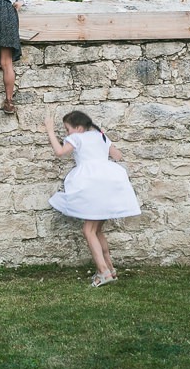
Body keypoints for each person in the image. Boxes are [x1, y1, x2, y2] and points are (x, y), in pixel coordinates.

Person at [44, 111, 141, 287]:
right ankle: (110, 268)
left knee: (88, 231)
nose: (66, 133)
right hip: (111, 181)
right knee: (96, 230)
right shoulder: (101, 136)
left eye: (67, 129)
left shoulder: (77, 138)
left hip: (92, 183)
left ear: (78, 128)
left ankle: (103, 272)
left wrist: (50, 131)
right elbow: (117, 155)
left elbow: (59, 152)